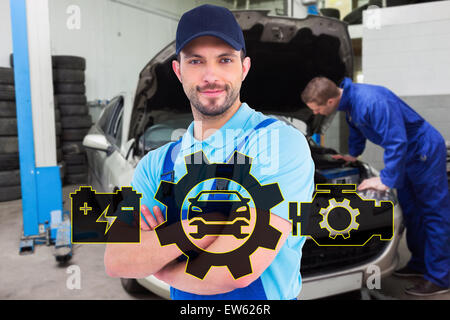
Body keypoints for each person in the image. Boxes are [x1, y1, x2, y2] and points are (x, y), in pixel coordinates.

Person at [104, 4, 315, 300]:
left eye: (225, 59)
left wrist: (160, 263)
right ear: (178, 70)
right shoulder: (156, 164)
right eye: (196, 61)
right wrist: (194, 231)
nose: (210, 75)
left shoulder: (278, 144)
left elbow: (236, 268)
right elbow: (117, 259)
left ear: (244, 67)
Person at [301, 76, 450, 296]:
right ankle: (419, 264)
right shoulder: (349, 103)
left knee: (433, 212)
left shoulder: (371, 101)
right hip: (407, 156)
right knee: (411, 211)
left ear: (330, 102)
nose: (315, 114)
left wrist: (385, 180)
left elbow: (397, 141)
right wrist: (353, 155)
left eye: (316, 109)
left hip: (423, 152)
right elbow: (358, 130)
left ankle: (440, 277)